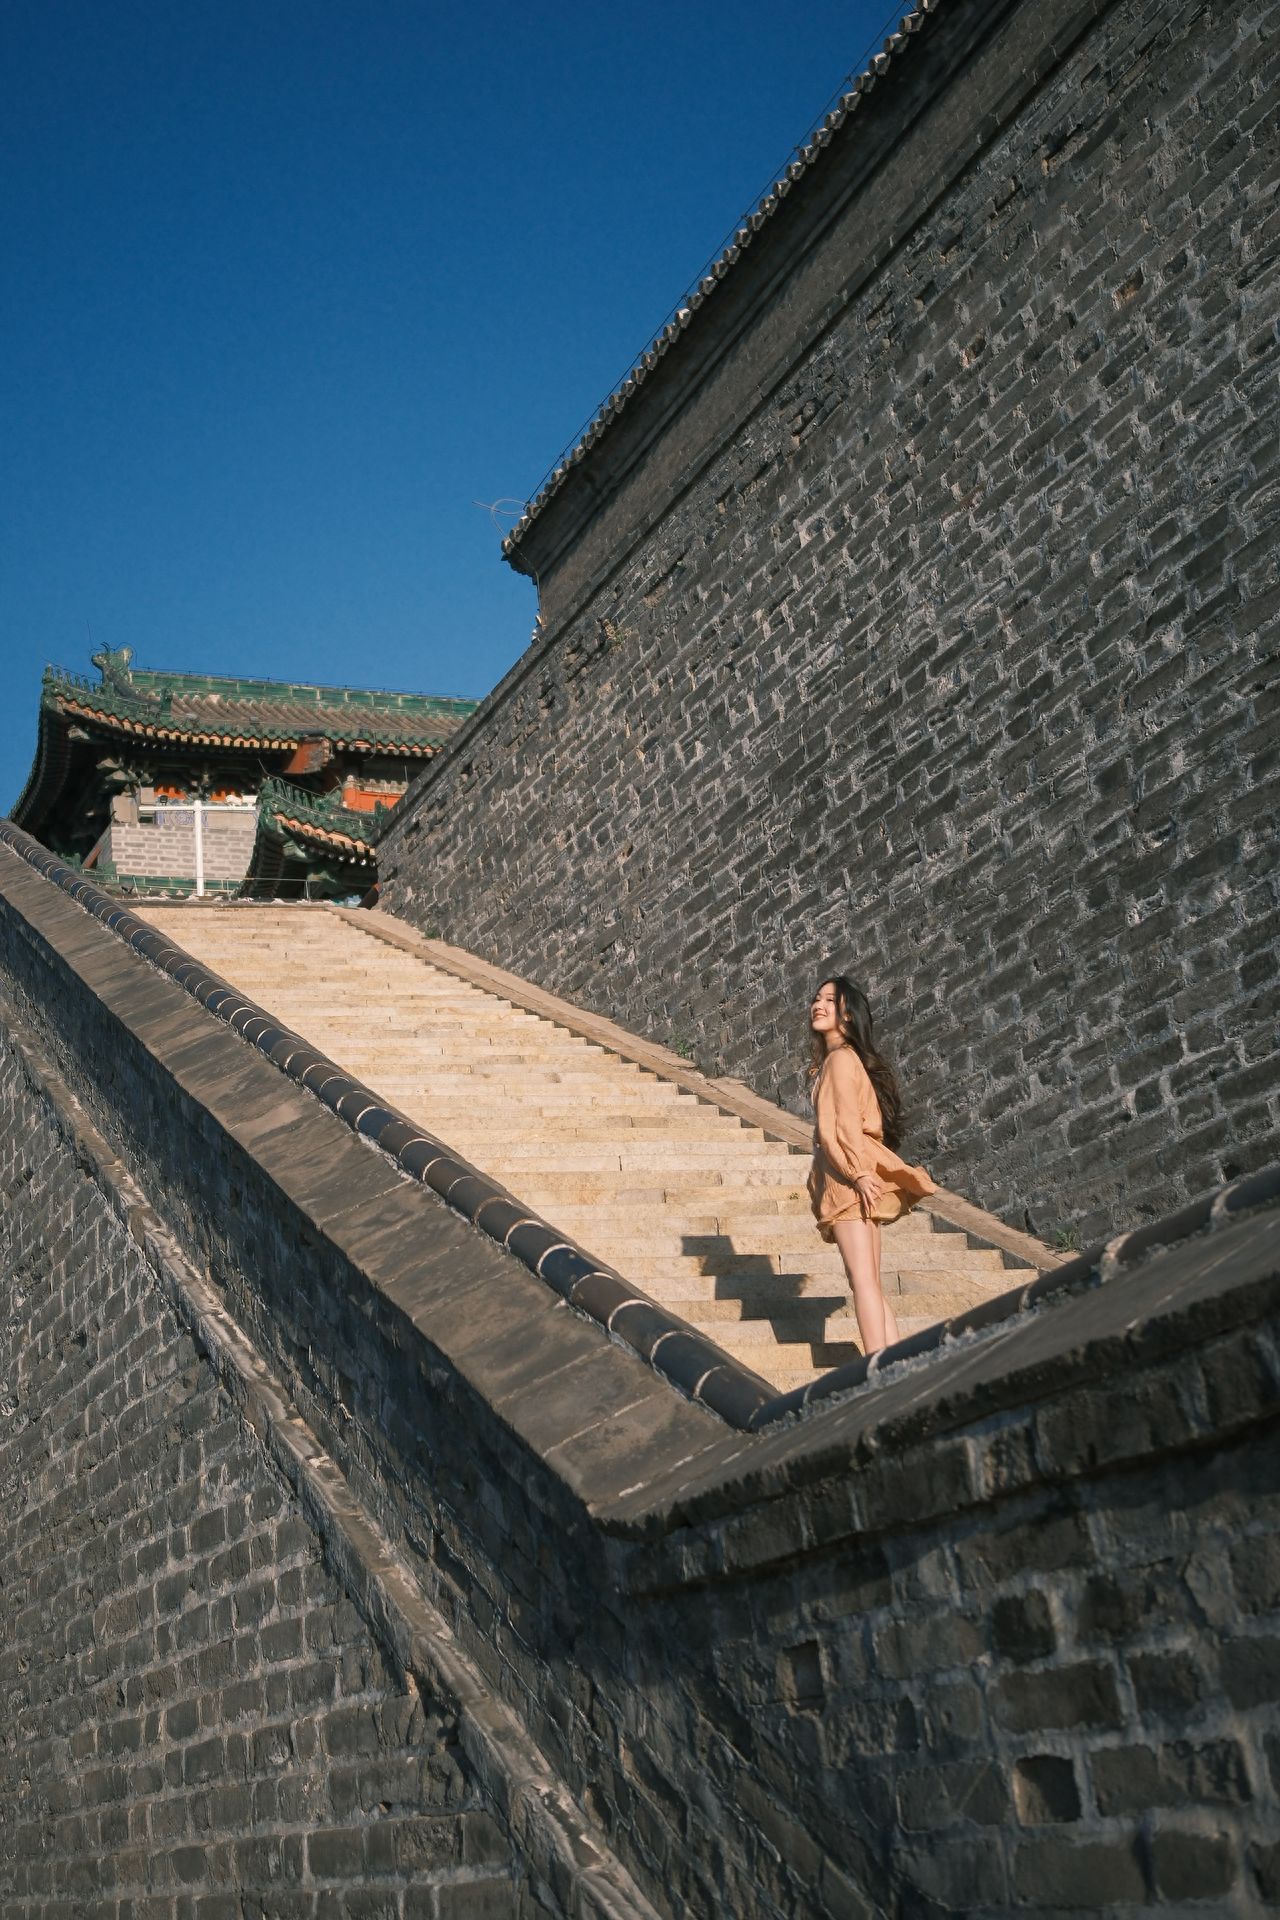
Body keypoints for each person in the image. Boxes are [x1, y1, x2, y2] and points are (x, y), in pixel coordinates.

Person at [807, 976, 937, 1356]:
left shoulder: (840, 1060)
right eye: (817, 998)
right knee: (869, 1282)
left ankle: (878, 1367)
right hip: (854, 1173)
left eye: (830, 1000)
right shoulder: (840, 1061)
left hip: (849, 1177)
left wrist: (857, 1173)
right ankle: (894, 1364)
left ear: (847, 1015)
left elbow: (842, 1127)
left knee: (863, 1282)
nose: (819, 1004)